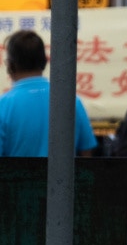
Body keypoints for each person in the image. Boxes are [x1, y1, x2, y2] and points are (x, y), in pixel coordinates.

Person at [0, 29, 97, 157]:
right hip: (63, 171)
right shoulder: (72, 101)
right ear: (45, 62)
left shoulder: (3, 106)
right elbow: (87, 153)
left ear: (10, 65)